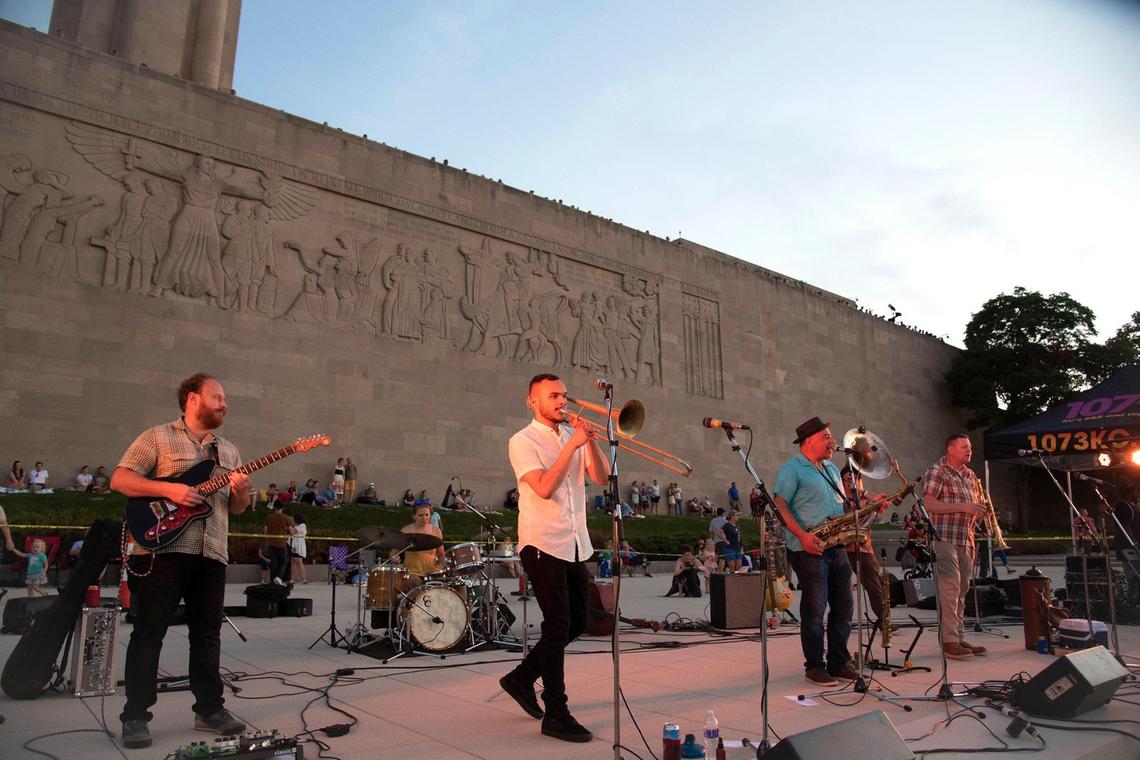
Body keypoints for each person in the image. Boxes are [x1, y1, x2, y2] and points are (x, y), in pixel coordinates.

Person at [111, 372, 250, 748]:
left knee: (207, 635)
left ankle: (210, 709)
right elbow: (121, 479)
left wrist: (242, 491)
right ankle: (136, 716)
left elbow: (237, 508)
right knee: (148, 633)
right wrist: (169, 487)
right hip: (162, 552)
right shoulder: (157, 437)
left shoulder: (230, 452)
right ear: (192, 398)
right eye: (217, 397)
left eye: (224, 399)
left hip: (211, 553)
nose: (224, 403)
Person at [500, 373, 609, 743]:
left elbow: (601, 476)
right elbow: (544, 488)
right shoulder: (522, 441)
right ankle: (556, 711)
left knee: (579, 620)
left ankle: (520, 678)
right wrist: (571, 445)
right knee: (558, 622)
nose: (562, 401)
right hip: (541, 542)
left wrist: (588, 442)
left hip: (574, 543)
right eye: (553, 396)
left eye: (563, 395)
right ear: (533, 402)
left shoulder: (571, 436)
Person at [772, 416, 858, 687]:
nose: (832, 442)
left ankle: (838, 661)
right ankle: (815, 666)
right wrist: (802, 535)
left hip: (836, 547)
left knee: (844, 606)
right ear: (809, 441)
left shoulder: (831, 468)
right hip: (808, 549)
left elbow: (838, 504)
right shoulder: (792, 469)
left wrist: (866, 504)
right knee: (814, 609)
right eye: (826, 437)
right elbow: (780, 505)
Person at [922, 433, 991, 661]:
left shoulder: (970, 476)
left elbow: (972, 508)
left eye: (969, 447)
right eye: (964, 447)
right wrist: (964, 507)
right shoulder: (937, 471)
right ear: (951, 449)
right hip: (944, 538)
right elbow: (929, 504)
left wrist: (979, 511)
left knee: (962, 589)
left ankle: (959, 637)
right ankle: (950, 640)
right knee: (950, 588)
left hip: (966, 538)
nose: (969, 450)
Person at [839, 466, 892, 632]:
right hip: (842, 547)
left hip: (863, 547)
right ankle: (841, 622)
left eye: (854, 479)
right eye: (847, 479)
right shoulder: (837, 499)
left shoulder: (864, 499)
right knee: (840, 588)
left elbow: (876, 506)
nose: (850, 483)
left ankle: (884, 620)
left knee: (874, 585)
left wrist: (865, 493)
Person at [401, 503, 444, 579]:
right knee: (414, 581)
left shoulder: (436, 531)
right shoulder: (406, 531)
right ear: (414, 516)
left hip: (432, 572)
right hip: (412, 572)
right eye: (420, 515)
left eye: (427, 515)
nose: (424, 518)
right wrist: (395, 558)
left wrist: (443, 568)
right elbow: (394, 553)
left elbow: (441, 554)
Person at [264, 500, 294, 586]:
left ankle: (272, 581)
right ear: (282, 508)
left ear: (274, 507)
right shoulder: (286, 518)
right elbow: (291, 532)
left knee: (274, 562)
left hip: (271, 544)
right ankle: (278, 577)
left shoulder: (268, 518)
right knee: (284, 561)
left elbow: (265, 531)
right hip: (281, 544)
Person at [289, 513, 308, 584]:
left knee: (298, 561)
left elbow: (292, 532)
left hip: (298, 547)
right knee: (293, 562)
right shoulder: (296, 525)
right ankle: (292, 579)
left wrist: (289, 526)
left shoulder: (302, 525)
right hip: (294, 546)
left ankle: (304, 579)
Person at [709, 507, 728, 572]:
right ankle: (720, 573)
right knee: (722, 558)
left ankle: (715, 571)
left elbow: (711, 533)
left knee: (716, 558)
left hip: (715, 542)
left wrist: (711, 542)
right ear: (723, 513)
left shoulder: (712, 521)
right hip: (723, 541)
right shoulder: (725, 520)